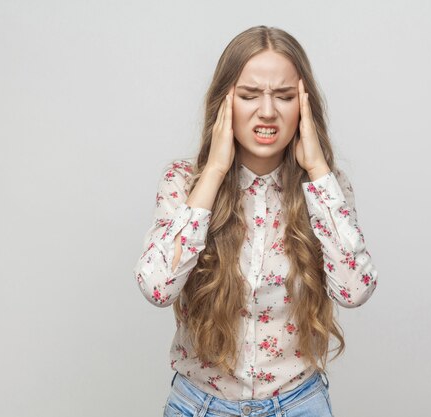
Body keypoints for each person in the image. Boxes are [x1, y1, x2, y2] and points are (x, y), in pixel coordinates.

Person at [133, 25, 378, 417]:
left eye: (283, 97)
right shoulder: (183, 184)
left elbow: (355, 291)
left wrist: (316, 168)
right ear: (225, 102)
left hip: (299, 404)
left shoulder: (325, 189)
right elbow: (157, 288)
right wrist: (214, 170)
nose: (267, 111)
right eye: (249, 96)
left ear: (304, 105)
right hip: (199, 406)